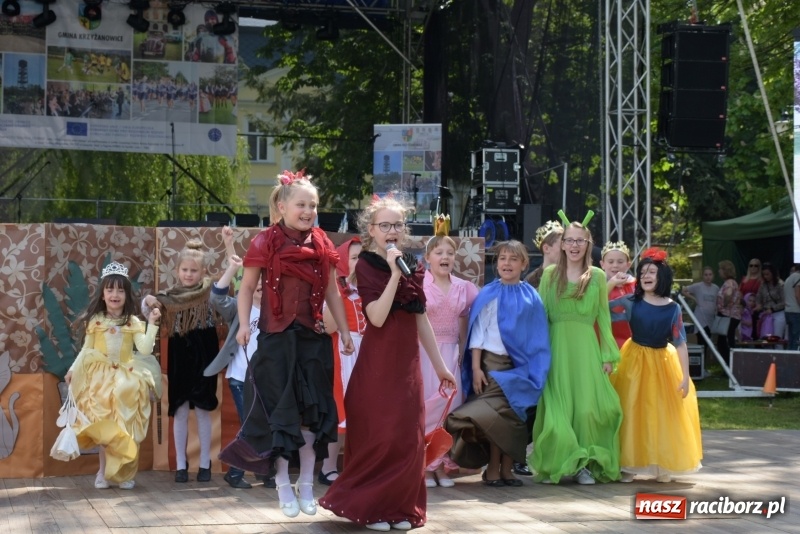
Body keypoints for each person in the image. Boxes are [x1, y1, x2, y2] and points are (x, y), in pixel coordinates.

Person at [319, 194, 456, 532]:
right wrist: (395, 275)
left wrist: (440, 366)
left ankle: (399, 508)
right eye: (384, 225)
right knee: (382, 434)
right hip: (378, 363)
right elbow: (376, 318)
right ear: (372, 230)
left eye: (397, 224)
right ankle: (373, 508)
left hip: (406, 364)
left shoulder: (414, 264)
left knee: (406, 437)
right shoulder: (366, 264)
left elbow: (419, 316)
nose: (391, 230)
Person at [234, 170, 354, 519]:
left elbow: (332, 290)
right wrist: (244, 325)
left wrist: (344, 331)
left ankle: (306, 483)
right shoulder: (264, 242)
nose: (308, 211)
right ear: (282, 206)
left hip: (312, 340)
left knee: (311, 414)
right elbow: (245, 288)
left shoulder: (322, 244)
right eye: (301, 204)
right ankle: (283, 482)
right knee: (283, 414)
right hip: (276, 339)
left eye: (313, 205)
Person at [529, 210, 623, 485]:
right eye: (568, 240)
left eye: (579, 241)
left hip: (586, 349)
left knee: (586, 409)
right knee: (558, 409)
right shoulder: (548, 276)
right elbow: (541, 316)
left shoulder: (596, 276)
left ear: (587, 244)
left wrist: (608, 354)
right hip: (556, 348)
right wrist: (537, 353)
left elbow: (604, 318)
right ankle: (558, 462)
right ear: (561, 244)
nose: (573, 245)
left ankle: (584, 464)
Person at [446, 240, 550, 487]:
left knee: (515, 418)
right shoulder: (489, 294)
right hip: (491, 368)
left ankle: (506, 468)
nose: (507, 263)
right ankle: (492, 468)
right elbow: (478, 334)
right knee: (496, 418)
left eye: (513, 259)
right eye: (502, 258)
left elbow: (537, 336)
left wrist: (536, 369)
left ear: (524, 264)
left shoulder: (531, 297)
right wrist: (475, 368)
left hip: (521, 370)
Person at [64, 262, 161, 490]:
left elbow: (145, 350)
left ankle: (125, 473)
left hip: (126, 378)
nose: (115, 295)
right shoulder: (96, 321)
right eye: (110, 290)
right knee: (106, 428)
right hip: (101, 380)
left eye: (120, 290)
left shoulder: (133, 322)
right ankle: (103, 472)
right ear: (103, 293)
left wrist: (153, 324)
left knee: (125, 427)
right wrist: (72, 370)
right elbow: (87, 350)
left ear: (127, 295)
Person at [609, 248, 703, 483]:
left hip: (663, 361)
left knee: (662, 413)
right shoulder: (632, 302)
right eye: (643, 273)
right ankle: (629, 464)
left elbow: (680, 343)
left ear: (663, 277)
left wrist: (684, 376)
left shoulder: (673, 308)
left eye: (652, 272)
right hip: (634, 359)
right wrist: (610, 284)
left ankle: (663, 463)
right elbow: (600, 307)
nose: (646, 276)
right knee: (632, 409)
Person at [142, 240, 219, 484]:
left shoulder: (211, 292)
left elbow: (227, 296)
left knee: (205, 409)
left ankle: (205, 463)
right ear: (177, 271)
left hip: (205, 353)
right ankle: (181, 466)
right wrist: (148, 301)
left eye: (194, 270)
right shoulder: (169, 298)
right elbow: (147, 310)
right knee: (181, 409)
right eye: (184, 270)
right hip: (179, 356)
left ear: (203, 272)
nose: (188, 274)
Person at [204, 226, 273, 489]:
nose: (260, 290)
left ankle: (263, 471)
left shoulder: (274, 314)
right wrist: (232, 267)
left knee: (265, 424)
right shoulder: (238, 308)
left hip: (266, 378)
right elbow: (217, 298)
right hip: (240, 378)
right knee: (249, 425)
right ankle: (236, 473)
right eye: (256, 286)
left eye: (265, 286)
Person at [420, 235, 479, 488]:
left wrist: (464, 358)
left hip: (452, 354)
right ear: (427, 258)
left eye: (450, 253)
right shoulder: (420, 284)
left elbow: (466, 326)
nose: (445, 257)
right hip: (425, 354)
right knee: (426, 407)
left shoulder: (464, 288)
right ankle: (423, 467)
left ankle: (441, 465)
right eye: (439, 253)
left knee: (449, 409)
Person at [319, 236, 365, 486]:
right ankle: (327, 468)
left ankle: (357, 466)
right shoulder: (336, 289)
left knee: (364, 413)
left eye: (362, 257)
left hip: (368, 354)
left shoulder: (372, 288)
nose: (359, 262)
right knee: (340, 411)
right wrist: (338, 292)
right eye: (354, 257)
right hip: (343, 355)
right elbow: (327, 327)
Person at [600, 240, 636, 349]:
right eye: (610, 262)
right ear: (602, 264)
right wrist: (612, 284)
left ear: (628, 264)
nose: (615, 265)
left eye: (620, 262)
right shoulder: (597, 286)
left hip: (633, 343)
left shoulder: (636, 285)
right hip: (606, 343)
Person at [682, 266, 720, 360]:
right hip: (700, 316)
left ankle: (705, 360)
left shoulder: (716, 288)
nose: (708, 277)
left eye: (710, 275)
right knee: (702, 338)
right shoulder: (698, 286)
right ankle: (701, 362)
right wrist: (694, 298)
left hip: (711, 317)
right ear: (703, 276)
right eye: (706, 275)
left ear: (713, 276)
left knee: (708, 339)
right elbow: (684, 290)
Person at [715, 260, 742, 366]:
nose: (719, 272)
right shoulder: (733, 282)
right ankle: (730, 365)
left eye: (720, 269)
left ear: (725, 271)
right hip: (732, 315)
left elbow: (728, 293)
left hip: (728, 315)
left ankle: (730, 365)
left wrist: (725, 304)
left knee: (724, 342)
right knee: (728, 340)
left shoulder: (729, 283)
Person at [525, 220, 563, 289]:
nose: (566, 249)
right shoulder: (530, 281)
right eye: (561, 246)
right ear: (546, 249)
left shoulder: (571, 275)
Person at [755, 263, 785, 340]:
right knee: (766, 339)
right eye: (764, 274)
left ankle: (778, 352)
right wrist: (758, 304)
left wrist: (772, 309)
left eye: (767, 274)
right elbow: (758, 296)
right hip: (766, 314)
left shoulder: (780, 284)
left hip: (778, 313)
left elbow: (784, 301)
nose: (765, 276)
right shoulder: (763, 285)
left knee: (777, 339)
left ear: (773, 273)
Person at [783, 264, 800, 350]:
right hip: (796, 312)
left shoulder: (788, 279)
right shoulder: (797, 277)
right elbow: (798, 295)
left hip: (788, 311)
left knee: (791, 339)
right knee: (796, 339)